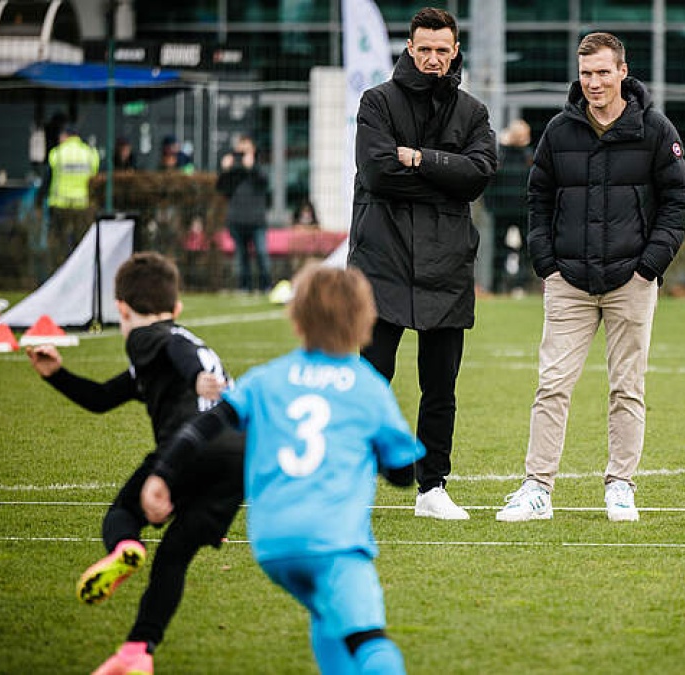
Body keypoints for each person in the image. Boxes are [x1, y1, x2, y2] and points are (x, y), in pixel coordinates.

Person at [141, 264, 424, 675]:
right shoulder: (368, 387)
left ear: (296, 320)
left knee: (329, 617)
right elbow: (404, 475)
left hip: (273, 543)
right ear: (366, 320)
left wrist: (163, 474)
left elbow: (205, 425)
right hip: (334, 543)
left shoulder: (267, 379)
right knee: (370, 643)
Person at [496, 32, 685, 523]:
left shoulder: (655, 129)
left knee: (628, 388)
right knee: (552, 385)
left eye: (604, 72)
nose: (594, 82)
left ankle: (621, 485)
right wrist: (546, 259)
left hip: (632, 280)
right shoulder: (558, 132)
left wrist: (651, 265)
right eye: (586, 73)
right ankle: (537, 488)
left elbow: (677, 201)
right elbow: (537, 198)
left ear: (623, 72)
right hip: (568, 282)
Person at [26, 252, 244, 675]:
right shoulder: (165, 354)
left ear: (122, 309)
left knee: (123, 512)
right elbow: (103, 398)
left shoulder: (150, 337)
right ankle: (137, 650)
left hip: (190, 447)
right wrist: (56, 375)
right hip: (237, 459)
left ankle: (127, 547)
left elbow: (179, 352)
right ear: (177, 306)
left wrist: (193, 379)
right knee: (174, 557)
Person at [347, 7, 497, 520]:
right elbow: (377, 172)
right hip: (380, 261)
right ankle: (347, 481)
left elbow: (479, 175)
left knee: (440, 384)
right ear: (410, 49)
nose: (433, 59)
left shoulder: (472, 112)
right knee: (370, 376)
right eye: (424, 49)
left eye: (442, 50)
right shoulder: (377, 102)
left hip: (446, 264)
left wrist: (420, 157)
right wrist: (443, 180)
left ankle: (432, 488)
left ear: (455, 51)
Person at [485, 118, 535, 293]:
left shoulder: (529, 157)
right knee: (500, 249)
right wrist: (491, 207)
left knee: (526, 250)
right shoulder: (501, 156)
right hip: (504, 212)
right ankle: (498, 285)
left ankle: (520, 285)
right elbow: (490, 185)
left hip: (523, 211)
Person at [217, 134, 272, 292]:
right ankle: (244, 286)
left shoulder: (259, 168)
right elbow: (222, 189)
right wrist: (225, 170)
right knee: (241, 258)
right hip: (237, 220)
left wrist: (252, 167)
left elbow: (264, 183)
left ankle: (266, 285)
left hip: (256, 221)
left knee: (262, 254)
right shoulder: (233, 171)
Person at [46, 125, 99, 268]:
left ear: (65, 136)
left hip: (60, 205)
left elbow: (49, 177)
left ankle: (59, 273)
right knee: (82, 245)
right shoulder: (89, 154)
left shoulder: (57, 153)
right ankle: (81, 273)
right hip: (82, 205)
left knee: (59, 245)